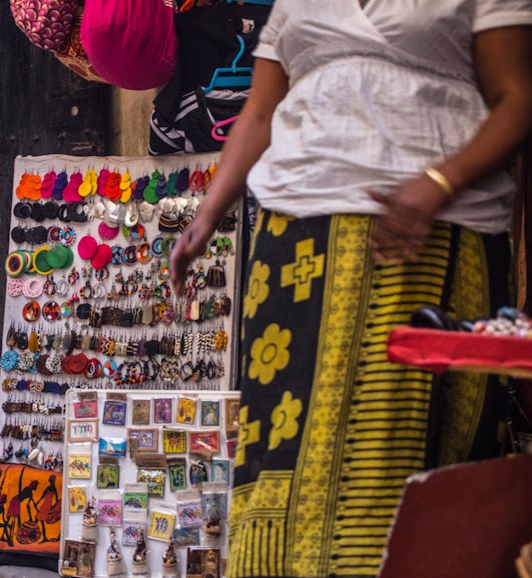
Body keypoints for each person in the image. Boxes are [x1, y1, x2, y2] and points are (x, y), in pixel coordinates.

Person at [169, 2, 532, 577]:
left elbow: (518, 98)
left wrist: (439, 182)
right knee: (279, 455)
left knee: (394, 454)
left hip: (422, 234)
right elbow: (262, 110)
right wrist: (207, 214)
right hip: (295, 241)